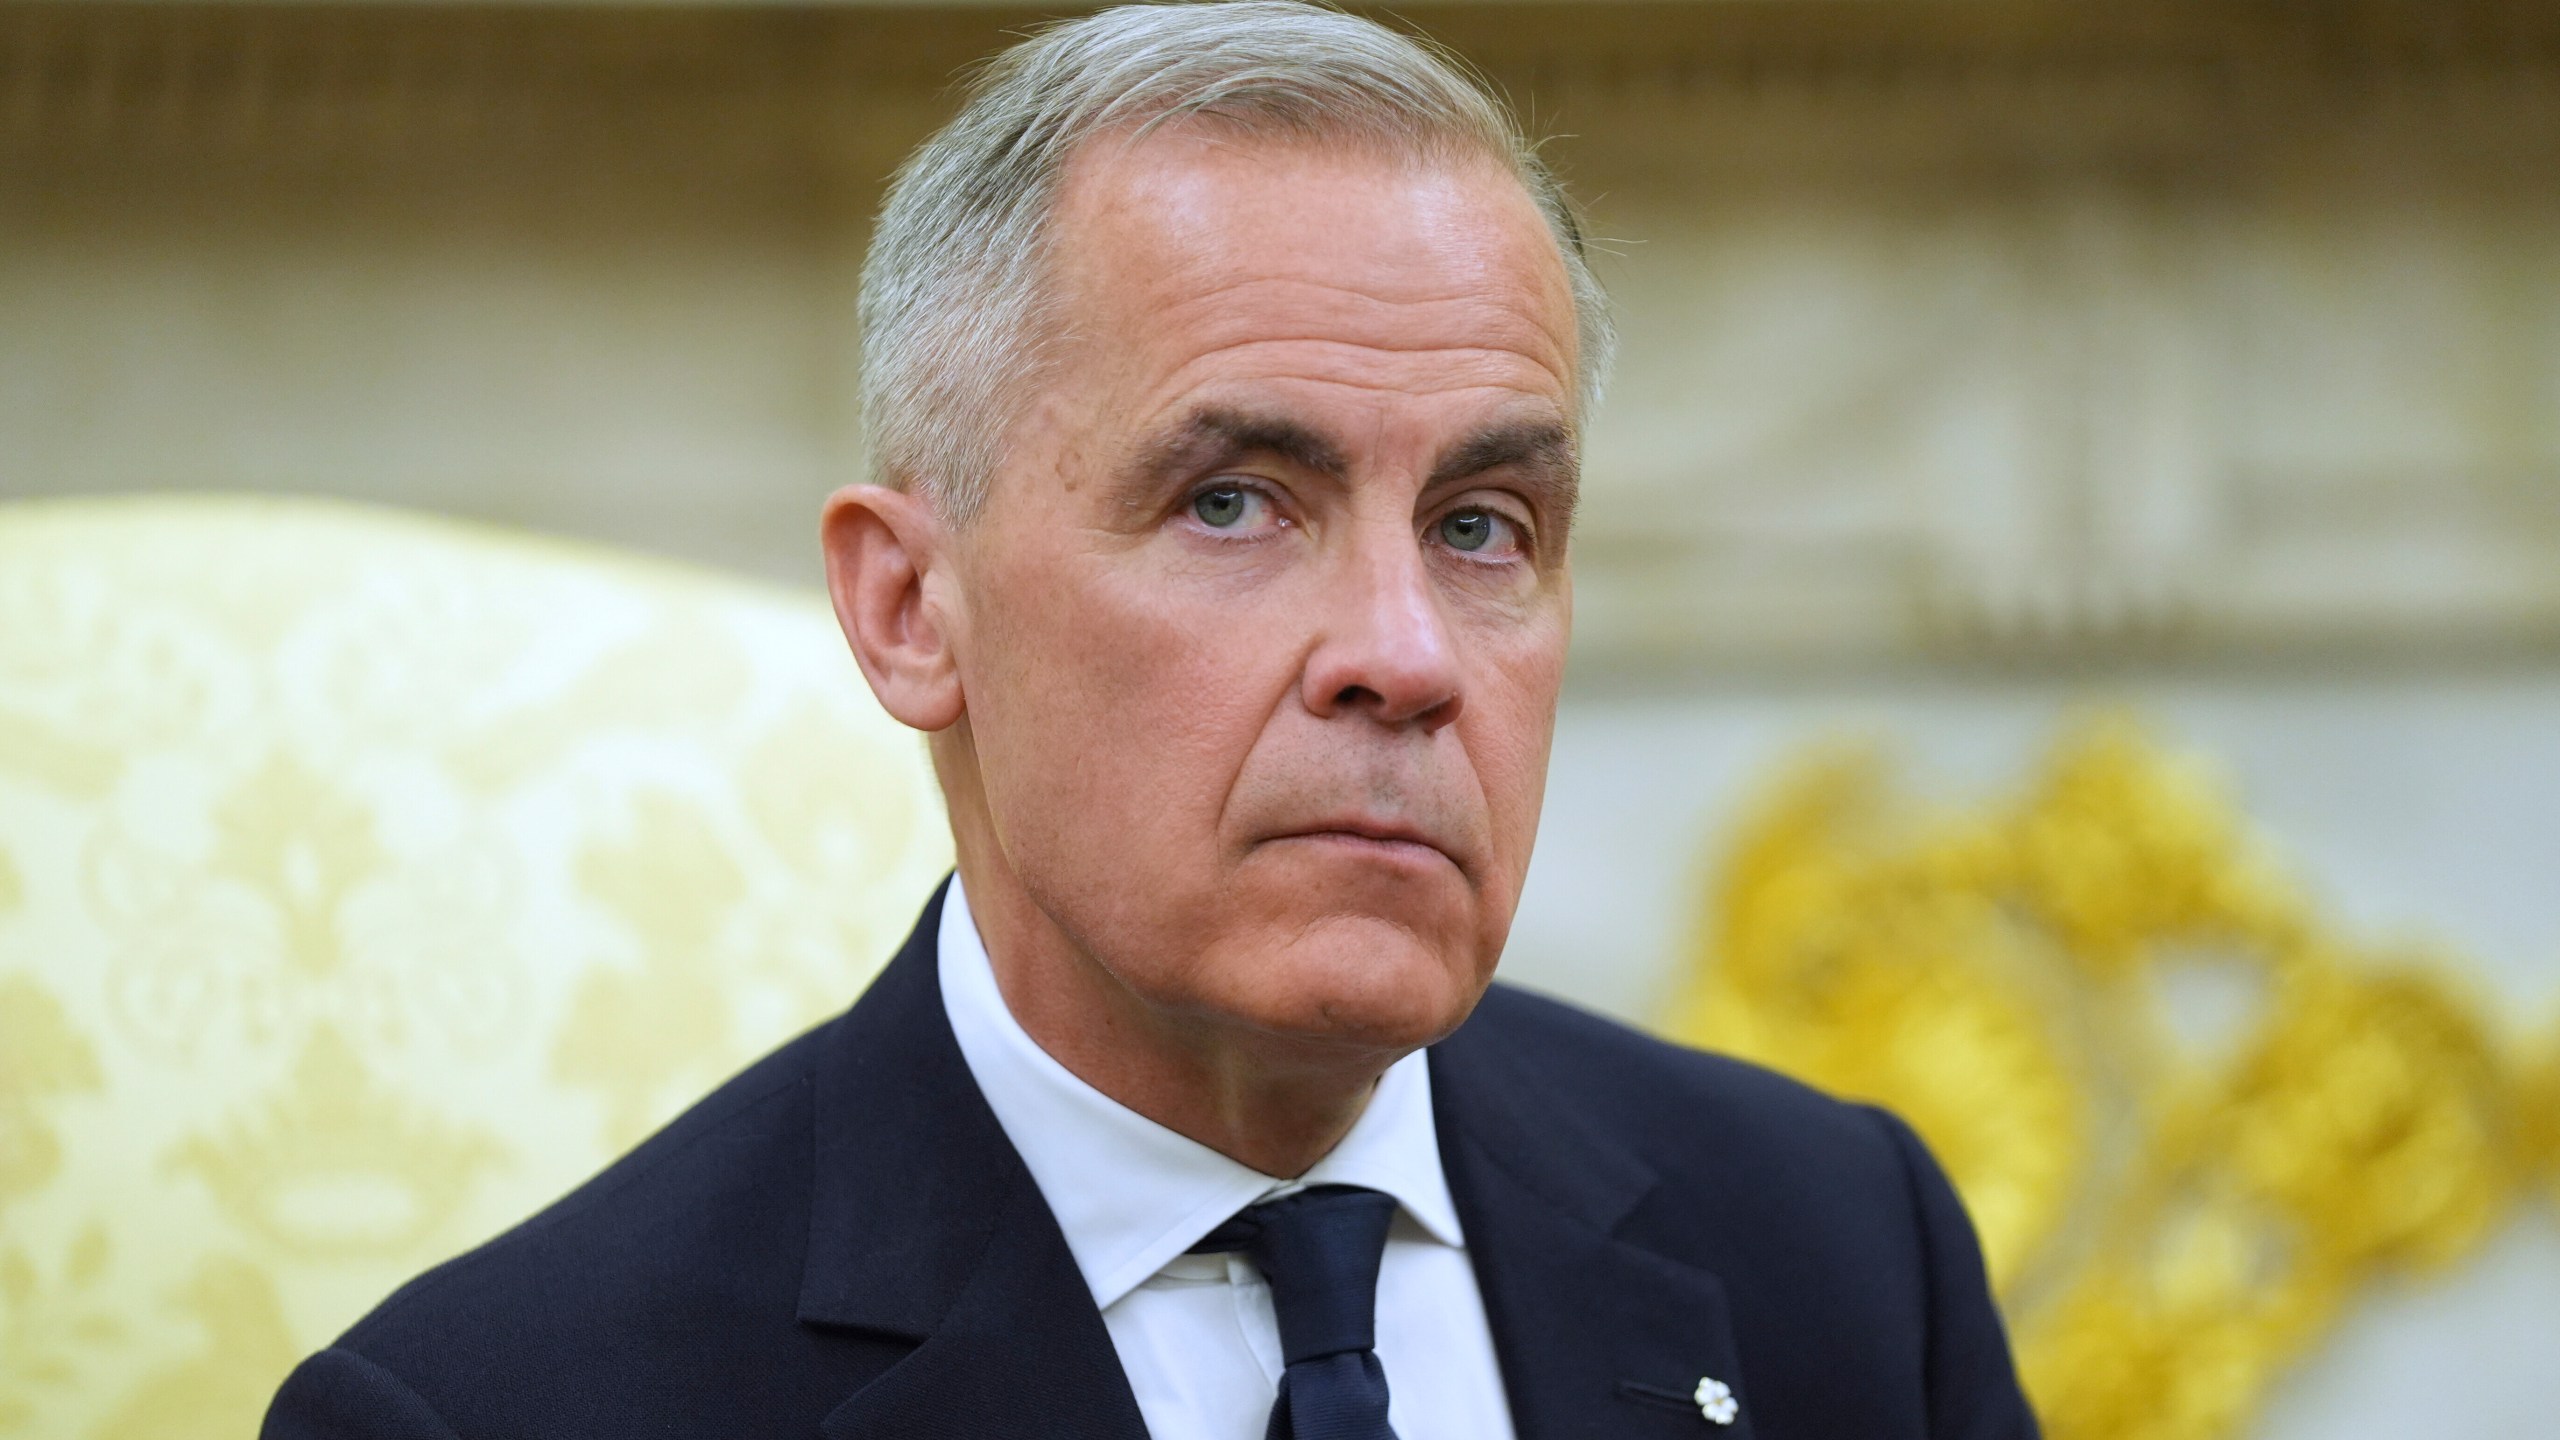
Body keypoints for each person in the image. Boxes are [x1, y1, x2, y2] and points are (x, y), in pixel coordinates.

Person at [262, 4, 2038, 1437]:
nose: (1406, 654)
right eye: (1236, 502)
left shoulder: (1839, 1252)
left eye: (1481, 526)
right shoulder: (496, 1408)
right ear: (908, 609)